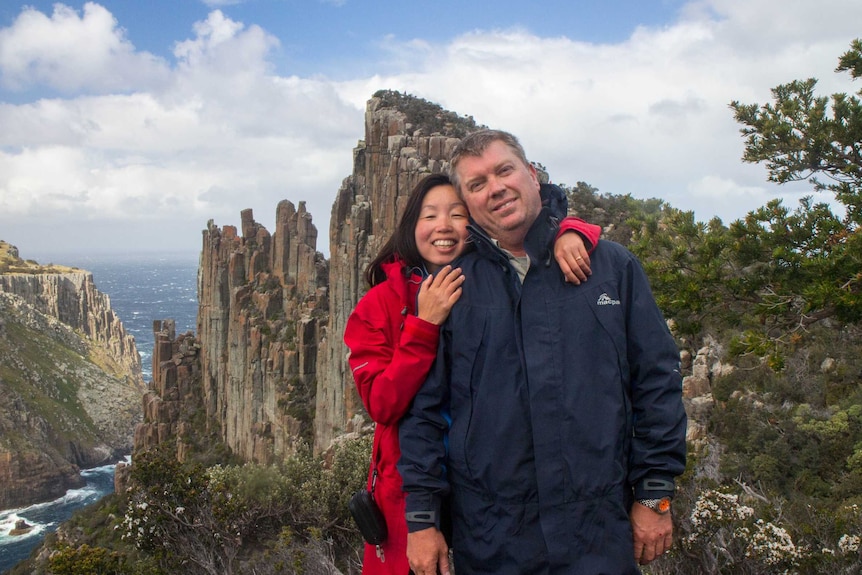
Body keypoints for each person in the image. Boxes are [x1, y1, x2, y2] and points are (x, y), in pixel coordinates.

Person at [398, 130, 688, 575]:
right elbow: (424, 411)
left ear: (532, 175)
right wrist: (422, 519)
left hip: (599, 532)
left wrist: (654, 493)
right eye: (476, 185)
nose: (495, 188)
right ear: (467, 203)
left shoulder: (611, 268)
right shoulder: (451, 290)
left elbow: (658, 382)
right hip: (492, 539)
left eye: (504, 171)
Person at [344, 172, 601, 575]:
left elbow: (532, 238)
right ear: (411, 226)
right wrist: (424, 325)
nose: (443, 226)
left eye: (457, 214)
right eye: (430, 216)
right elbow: (382, 403)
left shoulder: (492, 279)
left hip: (493, 502)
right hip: (413, 498)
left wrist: (573, 231)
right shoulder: (380, 305)